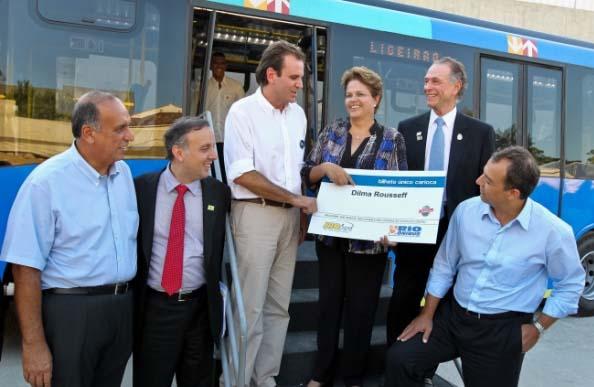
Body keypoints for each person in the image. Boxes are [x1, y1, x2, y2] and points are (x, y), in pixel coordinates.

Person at [385, 146, 585, 387]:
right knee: (401, 359)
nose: (478, 180)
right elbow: (445, 265)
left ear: (513, 193)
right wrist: (427, 315)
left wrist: (539, 327)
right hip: (453, 318)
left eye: (488, 180)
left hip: (501, 330)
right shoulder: (466, 211)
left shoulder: (553, 231)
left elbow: (571, 285)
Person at [0, 91, 137, 387]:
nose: (131, 136)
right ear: (89, 133)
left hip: (120, 309)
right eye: (120, 129)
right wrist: (33, 344)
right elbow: (25, 269)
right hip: (71, 314)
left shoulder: (123, 174)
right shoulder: (45, 183)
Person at [301, 66, 407, 387]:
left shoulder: (392, 139)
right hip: (330, 239)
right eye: (349, 94)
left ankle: (352, 378)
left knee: (361, 314)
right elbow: (307, 173)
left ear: (376, 99)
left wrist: (395, 231)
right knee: (328, 309)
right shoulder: (331, 132)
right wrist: (326, 167)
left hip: (369, 245)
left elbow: (399, 191)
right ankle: (321, 375)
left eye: (360, 94)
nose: (353, 100)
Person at [224, 40, 317, 387]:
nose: (300, 84)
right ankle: (235, 379)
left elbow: (296, 170)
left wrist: (300, 210)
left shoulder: (298, 115)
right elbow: (242, 174)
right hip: (254, 215)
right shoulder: (242, 112)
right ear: (271, 74)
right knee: (249, 307)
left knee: (279, 306)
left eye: (302, 78)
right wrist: (297, 202)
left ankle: (265, 378)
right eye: (294, 77)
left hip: (290, 220)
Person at [386, 57, 496, 348]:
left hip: (455, 232)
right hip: (414, 233)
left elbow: (487, 189)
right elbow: (399, 183)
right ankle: (396, 366)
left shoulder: (480, 133)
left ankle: (425, 369)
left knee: (444, 307)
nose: (427, 87)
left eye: (435, 81)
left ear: (455, 86)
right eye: (426, 81)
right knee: (402, 301)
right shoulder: (407, 128)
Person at [133, 117, 230, 387]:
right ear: (178, 152)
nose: (213, 155)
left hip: (200, 311)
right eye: (204, 149)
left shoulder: (218, 193)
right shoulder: (142, 189)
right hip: (155, 311)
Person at [205, 52, 245, 183]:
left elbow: (243, 115)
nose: (218, 66)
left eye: (221, 63)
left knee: (228, 174)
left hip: (229, 140)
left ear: (226, 66)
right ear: (211, 66)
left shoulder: (236, 87)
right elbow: (196, 113)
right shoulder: (203, 87)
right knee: (211, 175)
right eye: (215, 63)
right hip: (209, 140)